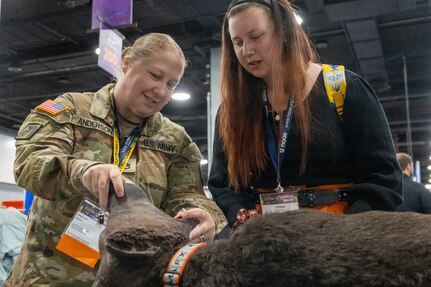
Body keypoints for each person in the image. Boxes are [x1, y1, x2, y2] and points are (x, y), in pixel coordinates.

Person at [4, 33, 227, 286]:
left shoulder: (175, 140)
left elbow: (188, 196)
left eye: (171, 84)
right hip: (49, 277)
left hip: (130, 278)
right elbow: (30, 162)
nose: (161, 90)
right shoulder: (72, 111)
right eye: (155, 76)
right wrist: (82, 171)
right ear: (126, 63)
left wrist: (204, 215)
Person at [208, 0, 403, 228]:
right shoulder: (233, 109)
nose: (246, 51)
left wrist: (350, 230)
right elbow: (224, 184)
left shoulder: (344, 88)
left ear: (285, 33)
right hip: (265, 239)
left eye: (256, 37)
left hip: (341, 236)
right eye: (237, 42)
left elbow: (383, 177)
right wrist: (241, 214)